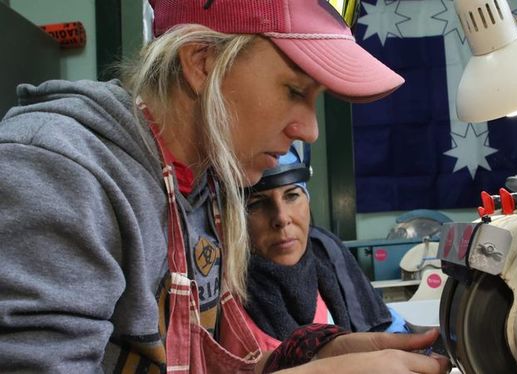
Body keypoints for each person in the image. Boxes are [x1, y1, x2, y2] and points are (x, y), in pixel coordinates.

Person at [0, 1, 449, 373]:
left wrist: (307, 357)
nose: (310, 130)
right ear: (202, 63)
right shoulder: (57, 170)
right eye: (294, 90)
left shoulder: (205, 188)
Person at [239, 146, 408, 352]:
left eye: (292, 195)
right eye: (256, 203)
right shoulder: (223, 294)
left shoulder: (328, 253)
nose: (282, 218)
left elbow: (383, 323)